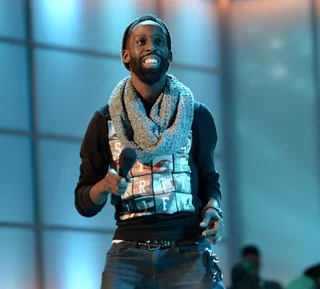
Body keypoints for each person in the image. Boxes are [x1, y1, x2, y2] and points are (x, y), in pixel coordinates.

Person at [74, 14, 225, 289]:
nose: (150, 47)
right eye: (140, 41)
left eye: (158, 42)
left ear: (169, 55)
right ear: (126, 56)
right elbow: (84, 201)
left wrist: (214, 209)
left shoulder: (197, 115)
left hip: (187, 249)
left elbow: (208, 179)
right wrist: (103, 187)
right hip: (127, 256)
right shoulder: (104, 121)